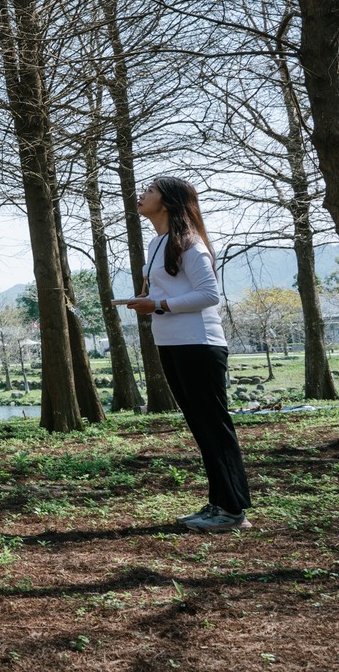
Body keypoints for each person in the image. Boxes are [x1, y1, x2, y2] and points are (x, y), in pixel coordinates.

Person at [119, 176, 250, 532]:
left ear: (168, 201)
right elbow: (171, 292)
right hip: (172, 343)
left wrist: (158, 303)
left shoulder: (190, 243)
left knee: (214, 426)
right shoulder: (156, 242)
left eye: (149, 191)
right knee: (200, 426)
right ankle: (220, 504)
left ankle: (233, 510)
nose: (141, 195)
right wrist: (152, 304)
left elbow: (209, 295)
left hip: (199, 343)